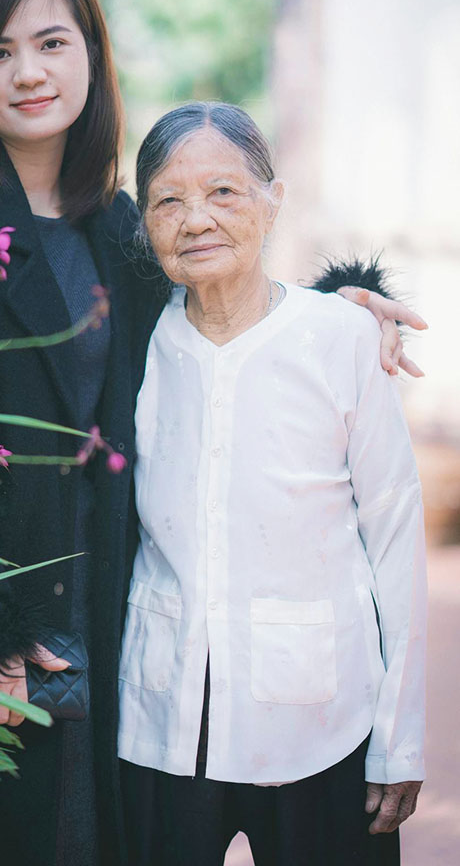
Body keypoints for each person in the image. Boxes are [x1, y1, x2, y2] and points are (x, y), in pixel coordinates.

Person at [0, 0, 421, 866]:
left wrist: (337, 310)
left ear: (91, 57)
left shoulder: (115, 225)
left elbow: (216, 307)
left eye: (53, 42)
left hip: (77, 616)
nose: (29, 71)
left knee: (52, 838)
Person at [118, 102, 426, 866]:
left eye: (224, 191)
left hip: (321, 722)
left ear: (273, 201)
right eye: (168, 200)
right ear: (143, 223)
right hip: (164, 720)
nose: (196, 219)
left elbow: (395, 541)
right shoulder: (134, 346)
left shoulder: (343, 339)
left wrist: (400, 740)